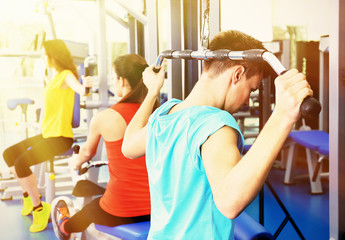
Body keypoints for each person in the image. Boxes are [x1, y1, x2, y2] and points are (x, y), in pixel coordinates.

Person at [122, 30, 313, 239]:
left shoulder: (165, 114)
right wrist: (282, 116)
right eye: (251, 89)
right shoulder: (216, 126)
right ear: (237, 74)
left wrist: (152, 93)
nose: (248, 100)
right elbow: (230, 202)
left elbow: (128, 146)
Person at [51, 54, 155, 240]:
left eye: (114, 78)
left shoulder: (105, 117)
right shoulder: (158, 114)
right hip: (157, 209)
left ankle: (65, 227)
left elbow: (87, 153)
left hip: (120, 211)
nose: (114, 82)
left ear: (122, 81)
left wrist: (75, 162)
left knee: (91, 209)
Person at [2, 39, 93, 233]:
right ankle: (27, 195)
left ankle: (39, 208)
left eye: (45, 54)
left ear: (54, 55)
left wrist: (86, 85)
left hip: (60, 138)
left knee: (21, 163)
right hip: (47, 135)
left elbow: (80, 90)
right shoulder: (53, 78)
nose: (44, 57)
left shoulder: (67, 76)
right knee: (9, 154)